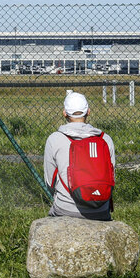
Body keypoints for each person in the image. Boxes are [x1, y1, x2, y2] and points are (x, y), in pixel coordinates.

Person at [43, 90, 116, 221]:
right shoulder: (106, 139)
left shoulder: (54, 139)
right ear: (88, 111)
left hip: (64, 209)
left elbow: (49, 183)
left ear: (64, 113)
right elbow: (111, 177)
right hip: (101, 210)